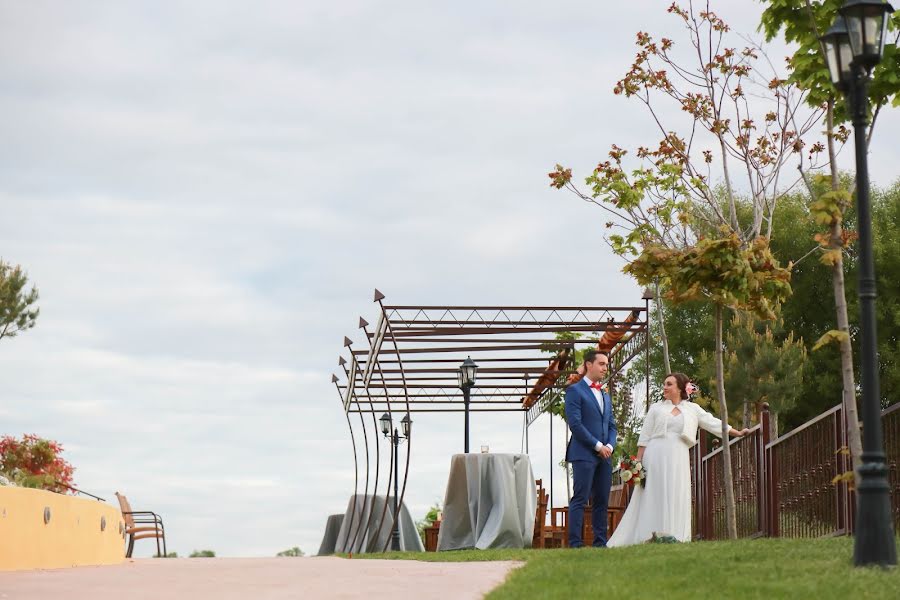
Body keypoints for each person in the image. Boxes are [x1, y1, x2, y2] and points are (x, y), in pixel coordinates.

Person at [607, 372, 750, 546]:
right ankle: (648, 535)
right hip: (655, 455)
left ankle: (676, 535)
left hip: (678, 455)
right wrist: (637, 464)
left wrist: (737, 432)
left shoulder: (692, 409)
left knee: (676, 492)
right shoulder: (656, 408)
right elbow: (644, 437)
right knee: (654, 494)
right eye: (664, 384)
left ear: (680, 388)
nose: (664, 387)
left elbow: (713, 423)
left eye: (669, 384)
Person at [564, 350, 617, 548]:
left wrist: (610, 446)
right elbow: (575, 425)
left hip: (605, 456)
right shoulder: (574, 391)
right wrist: (598, 446)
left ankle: (600, 544)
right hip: (583, 453)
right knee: (580, 498)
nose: (605, 367)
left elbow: (612, 425)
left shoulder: (605, 394)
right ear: (588, 364)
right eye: (601, 363)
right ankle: (576, 544)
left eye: (606, 364)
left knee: (602, 500)